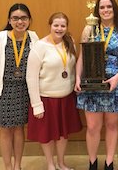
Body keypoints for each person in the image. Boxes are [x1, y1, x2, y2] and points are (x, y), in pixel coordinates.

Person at [75, 0, 118, 170]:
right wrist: (78, 77)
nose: (106, 10)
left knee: (111, 124)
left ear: (114, 8)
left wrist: (116, 78)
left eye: (109, 6)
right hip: (92, 84)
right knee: (93, 127)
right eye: (102, 7)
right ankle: (92, 163)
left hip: (115, 84)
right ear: (97, 10)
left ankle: (109, 163)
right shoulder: (89, 29)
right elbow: (82, 57)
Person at [0, 3, 39, 170]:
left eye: (23, 18)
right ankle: (8, 167)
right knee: (6, 130)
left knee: (19, 128)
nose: (19, 21)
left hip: (23, 91)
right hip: (2, 90)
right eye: (15, 18)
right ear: (9, 20)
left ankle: (17, 166)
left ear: (29, 20)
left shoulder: (34, 37)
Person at [26, 12, 82, 170]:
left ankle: (61, 163)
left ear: (67, 27)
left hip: (66, 98)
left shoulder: (69, 42)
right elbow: (31, 77)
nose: (59, 28)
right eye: (56, 25)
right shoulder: (39, 47)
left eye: (63, 25)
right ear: (50, 25)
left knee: (64, 134)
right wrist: (36, 104)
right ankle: (50, 164)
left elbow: (71, 68)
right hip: (46, 99)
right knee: (47, 135)